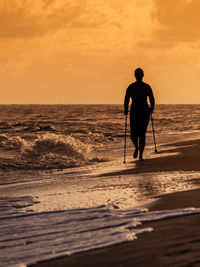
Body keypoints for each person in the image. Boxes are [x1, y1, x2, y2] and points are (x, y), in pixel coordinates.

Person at [124, 68, 155, 161]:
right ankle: (137, 148)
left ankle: (140, 154)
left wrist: (152, 108)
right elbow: (126, 98)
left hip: (144, 112)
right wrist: (125, 109)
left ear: (142, 75)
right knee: (133, 134)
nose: (138, 76)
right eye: (137, 74)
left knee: (142, 134)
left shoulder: (147, 86)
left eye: (139, 74)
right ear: (135, 75)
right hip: (134, 112)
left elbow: (152, 98)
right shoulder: (131, 87)